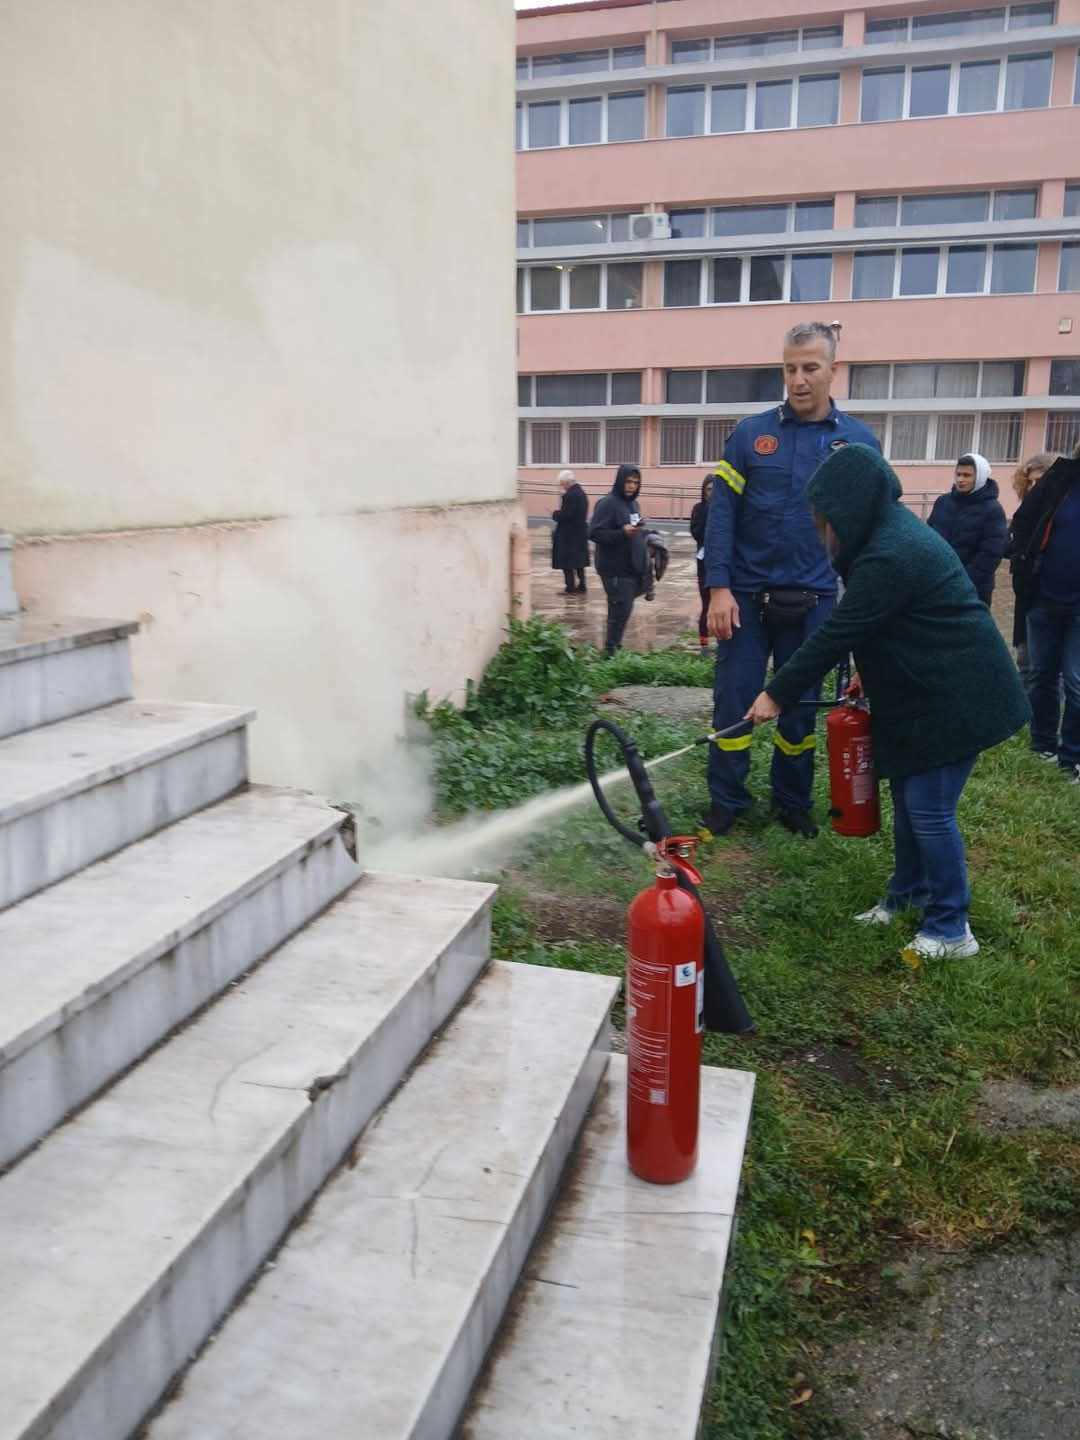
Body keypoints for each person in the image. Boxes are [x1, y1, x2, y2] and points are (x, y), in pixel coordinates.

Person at [744, 444, 1030, 959]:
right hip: (927, 690)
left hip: (959, 694)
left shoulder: (891, 552)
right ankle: (909, 894)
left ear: (852, 506)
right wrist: (864, 676)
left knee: (930, 809)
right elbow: (887, 626)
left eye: (824, 517)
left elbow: (839, 630)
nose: (819, 528)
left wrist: (776, 693)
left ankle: (951, 928)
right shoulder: (884, 536)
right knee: (908, 800)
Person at [703, 320, 882, 838]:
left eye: (810, 368)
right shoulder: (749, 434)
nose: (798, 379)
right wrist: (718, 587)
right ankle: (727, 800)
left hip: (816, 600)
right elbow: (722, 516)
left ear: (832, 370)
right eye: (789, 368)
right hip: (744, 598)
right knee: (733, 703)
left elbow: (871, 529)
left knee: (799, 711)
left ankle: (792, 802)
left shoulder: (857, 443)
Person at [1009, 447, 1080, 781]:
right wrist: (1023, 569)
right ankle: (1042, 747)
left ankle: (1072, 758)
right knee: (1041, 675)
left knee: (1077, 682)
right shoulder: (1059, 482)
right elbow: (1023, 523)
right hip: (1043, 599)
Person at [926, 452, 1007, 606]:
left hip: (973, 589)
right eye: (958, 474)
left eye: (967, 475)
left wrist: (962, 581)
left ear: (980, 477)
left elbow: (991, 554)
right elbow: (929, 537)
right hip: (937, 584)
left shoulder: (993, 510)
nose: (961, 480)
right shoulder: (943, 502)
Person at [1008, 452, 1055, 687]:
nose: (1035, 487)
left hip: (1051, 599)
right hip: (1025, 596)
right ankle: (1025, 716)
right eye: (1031, 481)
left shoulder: (1061, 516)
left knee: (1047, 667)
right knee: (1024, 660)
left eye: (1041, 481)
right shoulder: (1025, 514)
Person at [589, 464, 643, 656]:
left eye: (636, 483)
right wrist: (622, 533)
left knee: (624, 611)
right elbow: (594, 533)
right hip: (613, 568)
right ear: (620, 481)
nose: (632, 486)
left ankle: (614, 649)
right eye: (629, 481)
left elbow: (635, 529)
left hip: (629, 566)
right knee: (619, 611)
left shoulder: (633, 504)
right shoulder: (608, 504)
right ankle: (610, 652)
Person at [551, 469, 589, 595]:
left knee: (567, 561)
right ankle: (582, 585)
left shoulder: (570, 495)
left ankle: (570, 587)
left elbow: (567, 515)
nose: (562, 487)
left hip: (568, 534)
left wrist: (555, 514)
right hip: (580, 532)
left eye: (562, 484)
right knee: (579, 561)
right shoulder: (582, 493)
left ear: (567, 482)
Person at [689, 475, 714, 651]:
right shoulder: (699, 509)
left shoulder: (725, 509)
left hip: (722, 563)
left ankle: (722, 642)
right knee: (706, 604)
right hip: (704, 562)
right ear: (703, 491)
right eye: (709, 489)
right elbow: (696, 532)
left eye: (715, 489)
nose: (712, 493)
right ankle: (704, 645)